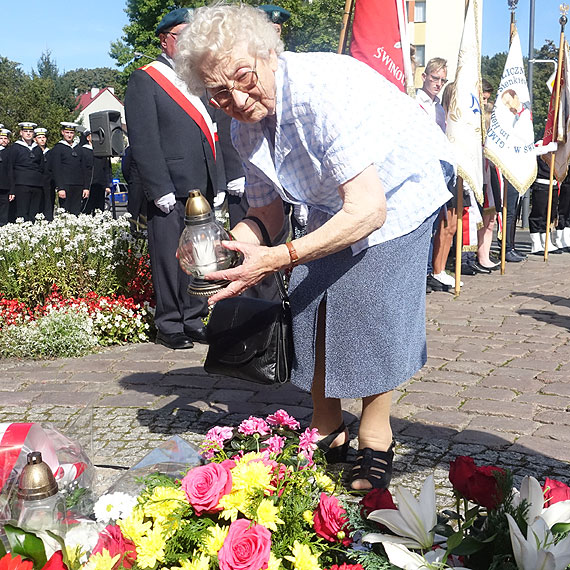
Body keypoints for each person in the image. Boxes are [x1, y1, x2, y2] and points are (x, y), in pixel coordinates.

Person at [176, 4, 454, 490]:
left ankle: (376, 434)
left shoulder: (320, 92)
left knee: (368, 299)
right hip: (336, 197)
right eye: (219, 92)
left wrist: (280, 257)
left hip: (400, 187)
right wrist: (227, 247)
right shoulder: (241, 125)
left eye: (244, 77)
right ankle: (326, 427)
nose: (237, 98)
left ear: (269, 52)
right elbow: (267, 213)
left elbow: (368, 211)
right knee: (309, 297)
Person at [124, 7, 224, 350]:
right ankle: (169, 323)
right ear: (166, 40)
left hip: (202, 184)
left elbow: (212, 133)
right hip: (169, 186)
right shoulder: (145, 79)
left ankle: (194, 317)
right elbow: (144, 139)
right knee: (169, 256)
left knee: (201, 255)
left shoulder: (197, 78)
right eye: (182, 36)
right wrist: (158, 187)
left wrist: (219, 179)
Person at [7, 122, 45, 222]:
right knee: (22, 213)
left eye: (30, 131)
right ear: (21, 133)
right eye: (25, 131)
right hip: (21, 184)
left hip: (36, 184)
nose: (28, 133)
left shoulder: (37, 149)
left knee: (34, 213)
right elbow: (10, 168)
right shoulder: (15, 148)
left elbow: (41, 167)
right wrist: (12, 188)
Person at [49, 123, 89, 215]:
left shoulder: (79, 149)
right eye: (67, 132)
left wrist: (86, 187)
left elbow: (84, 169)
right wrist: (60, 188)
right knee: (65, 212)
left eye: (71, 132)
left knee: (76, 212)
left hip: (78, 185)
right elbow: (56, 169)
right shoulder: (58, 148)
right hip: (65, 185)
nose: (69, 135)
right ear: (62, 132)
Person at [81, 130, 111, 214]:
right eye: (92, 136)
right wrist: (85, 187)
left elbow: (106, 169)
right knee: (86, 209)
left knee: (99, 210)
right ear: (88, 138)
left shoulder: (101, 152)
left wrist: (107, 185)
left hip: (100, 185)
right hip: (89, 185)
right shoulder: (83, 150)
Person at [33, 127, 54, 221]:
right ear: (35, 139)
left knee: (48, 204)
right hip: (37, 182)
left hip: (48, 183)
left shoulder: (50, 152)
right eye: (39, 137)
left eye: (44, 137)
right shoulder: (33, 151)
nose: (42, 139)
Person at [0, 127, 13, 226]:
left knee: (4, 210)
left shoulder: (9, 152)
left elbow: (11, 172)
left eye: (5, 139)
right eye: (1, 138)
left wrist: (12, 189)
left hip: (4, 186)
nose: (4, 141)